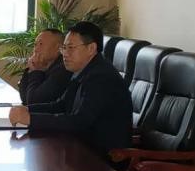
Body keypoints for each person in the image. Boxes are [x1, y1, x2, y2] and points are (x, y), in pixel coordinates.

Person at [8, 21, 132, 155]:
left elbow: (79, 122)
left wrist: (31, 119)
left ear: (91, 48)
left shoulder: (101, 77)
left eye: (71, 48)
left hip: (102, 157)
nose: (65, 54)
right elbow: (61, 105)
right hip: (80, 147)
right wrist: (28, 110)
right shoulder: (83, 70)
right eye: (64, 48)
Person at [18, 28, 70, 106]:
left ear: (58, 48)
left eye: (41, 44)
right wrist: (31, 69)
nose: (36, 49)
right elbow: (24, 98)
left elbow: (33, 102)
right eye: (35, 45)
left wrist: (36, 71)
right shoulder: (42, 66)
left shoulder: (63, 69)